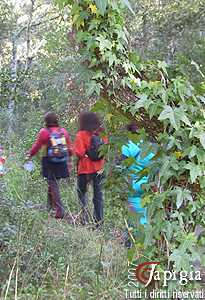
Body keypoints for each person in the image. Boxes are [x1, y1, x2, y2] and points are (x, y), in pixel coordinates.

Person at [27, 112, 73, 219]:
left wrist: (29, 155)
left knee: (53, 184)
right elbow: (70, 147)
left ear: (46, 121)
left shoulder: (44, 132)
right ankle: (49, 206)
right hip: (62, 161)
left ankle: (59, 210)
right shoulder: (63, 131)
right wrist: (69, 160)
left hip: (49, 161)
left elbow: (37, 146)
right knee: (52, 183)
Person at [74, 112, 107, 227]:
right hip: (100, 169)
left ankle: (84, 219)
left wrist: (86, 154)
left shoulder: (81, 134)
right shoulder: (102, 133)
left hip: (84, 169)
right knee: (98, 197)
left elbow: (79, 152)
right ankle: (99, 223)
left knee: (82, 193)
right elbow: (106, 149)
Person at [122, 122, 155, 225]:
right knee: (146, 219)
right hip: (148, 188)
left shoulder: (128, 146)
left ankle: (132, 239)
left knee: (133, 221)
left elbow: (121, 168)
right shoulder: (150, 147)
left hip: (132, 188)